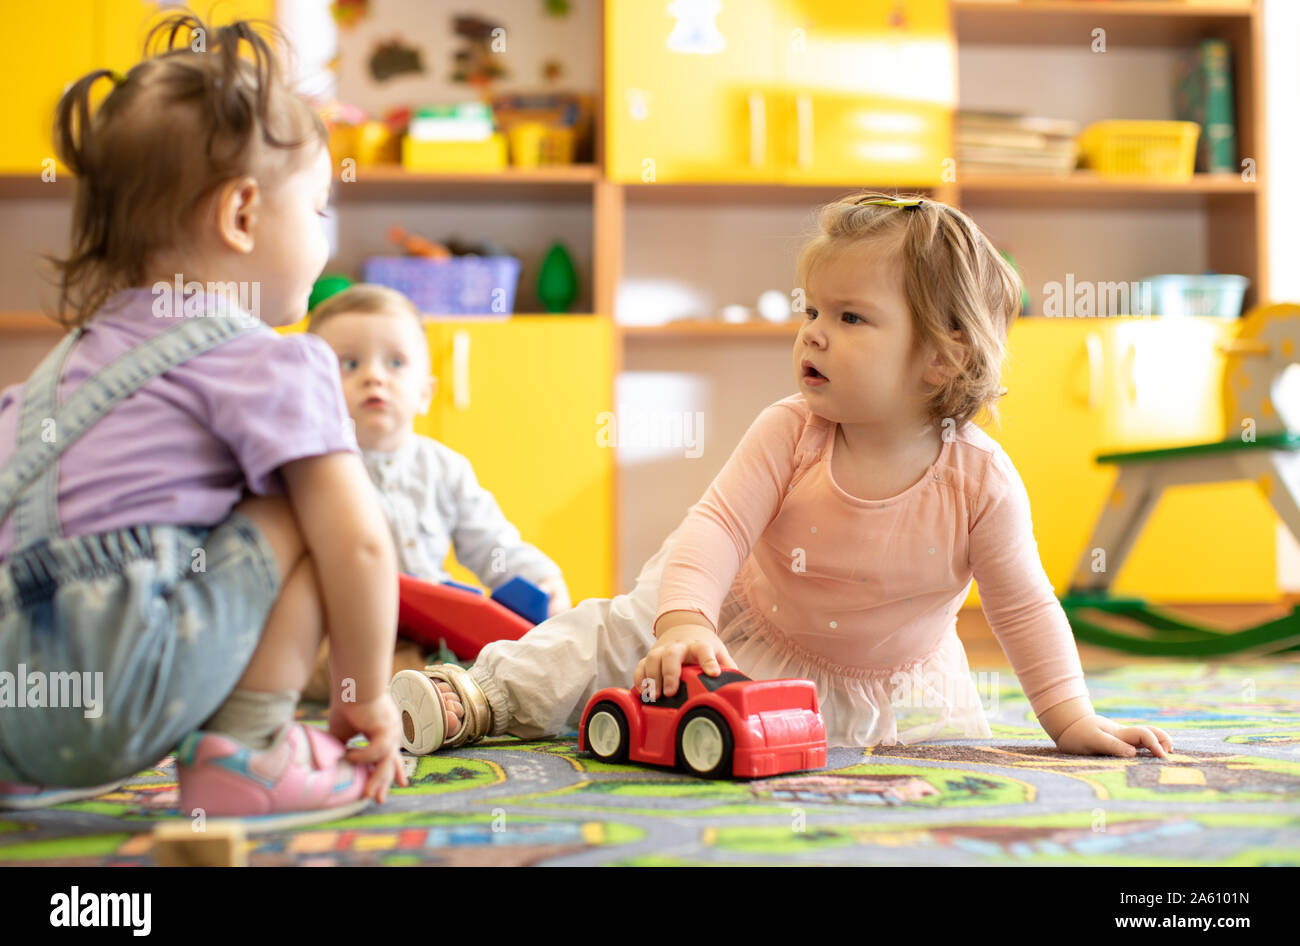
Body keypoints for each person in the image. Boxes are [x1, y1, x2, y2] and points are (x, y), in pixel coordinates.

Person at [389, 193, 1174, 761]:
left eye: (849, 318)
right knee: (610, 635)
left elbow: (1025, 604)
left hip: (889, 679)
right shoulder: (792, 431)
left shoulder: (982, 482)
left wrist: (1071, 717)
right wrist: (685, 622)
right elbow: (717, 526)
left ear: (943, 357)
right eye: (811, 312)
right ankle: (483, 696)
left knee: (905, 764)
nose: (814, 335)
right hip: (739, 616)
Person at [0, 15, 407, 820]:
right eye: (319, 211)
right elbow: (361, 543)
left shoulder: (51, 376)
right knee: (310, 497)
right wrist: (364, 695)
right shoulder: (276, 360)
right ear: (243, 216)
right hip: (127, 676)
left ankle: (31, 763)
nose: (324, 242)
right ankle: (249, 754)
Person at [301, 284, 571, 701]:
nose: (374, 376)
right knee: (360, 664)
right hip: (340, 634)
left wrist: (541, 579)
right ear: (314, 390)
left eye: (395, 362)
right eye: (349, 364)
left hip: (431, 628)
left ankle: (448, 687)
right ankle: (437, 691)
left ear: (425, 393)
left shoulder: (445, 468)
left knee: (506, 653)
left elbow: (492, 543)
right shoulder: (310, 469)